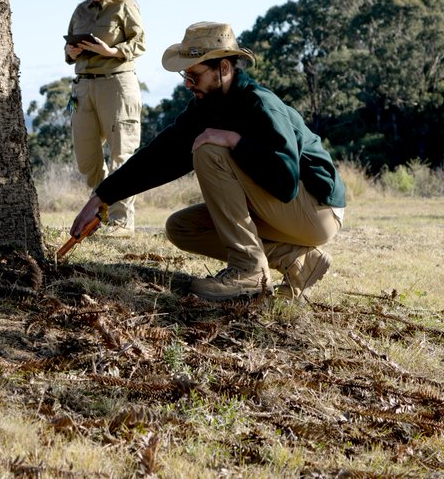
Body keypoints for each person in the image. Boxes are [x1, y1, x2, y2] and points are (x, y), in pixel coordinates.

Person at [67, 22, 346, 301]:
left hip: (317, 210)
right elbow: (160, 155)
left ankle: (248, 270)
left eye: (194, 75)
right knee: (182, 228)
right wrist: (102, 196)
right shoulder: (206, 106)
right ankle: (299, 261)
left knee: (209, 148)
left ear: (223, 69)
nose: (188, 84)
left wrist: (234, 141)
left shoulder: (260, 105)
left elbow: (285, 182)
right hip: (283, 209)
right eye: (185, 75)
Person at [64, 0, 146, 236]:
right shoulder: (80, 10)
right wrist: (71, 52)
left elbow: (140, 43)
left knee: (122, 153)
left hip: (117, 83)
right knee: (87, 157)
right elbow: (68, 47)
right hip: (83, 85)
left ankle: (122, 222)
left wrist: (111, 52)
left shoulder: (125, 6)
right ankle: (101, 214)